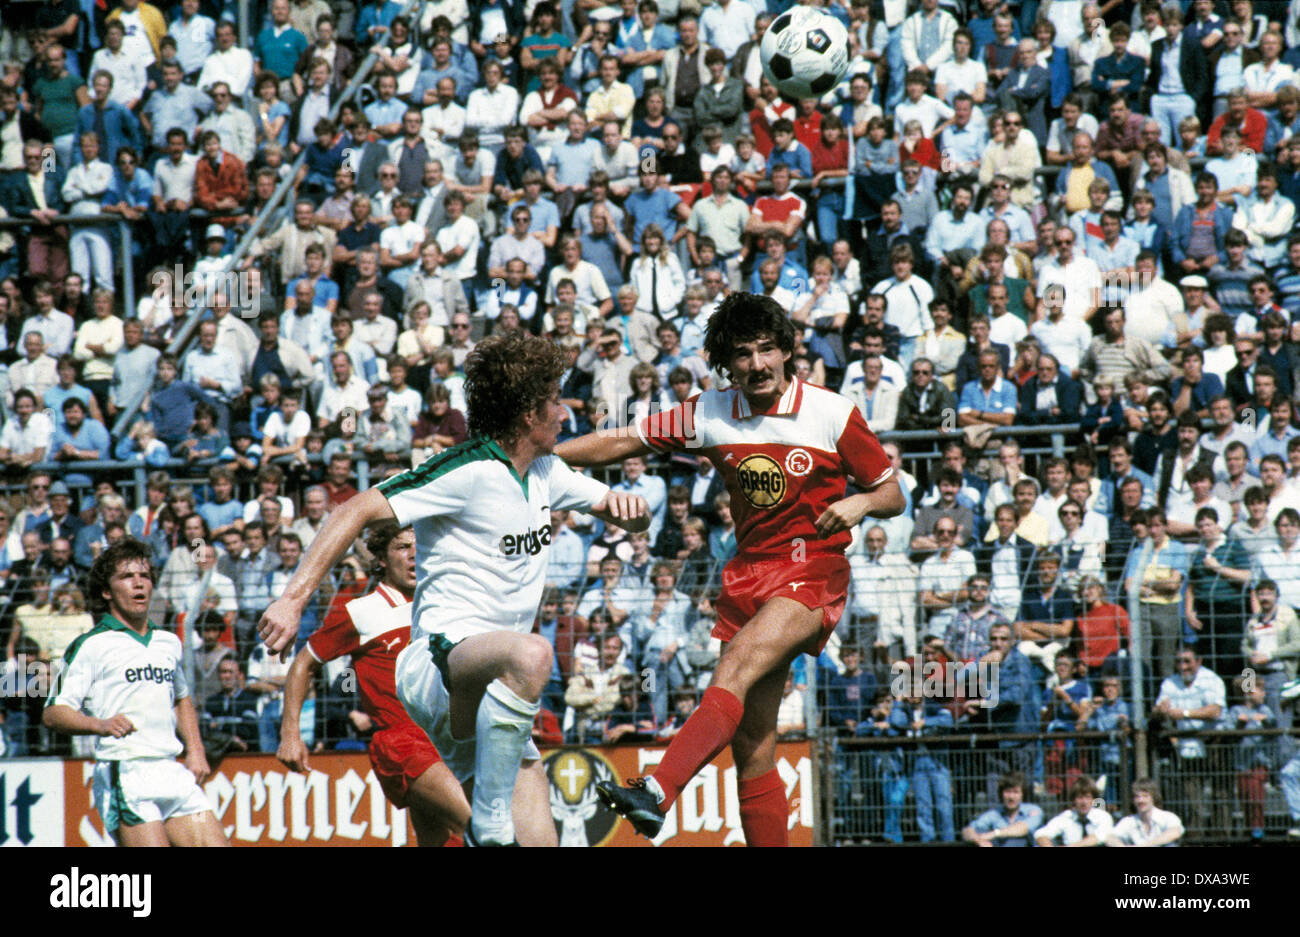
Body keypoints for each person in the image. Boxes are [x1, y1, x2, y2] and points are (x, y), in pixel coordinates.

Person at [258, 331, 650, 847]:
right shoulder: (464, 470)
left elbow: (621, 506)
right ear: (528, 414)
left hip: (494, 691)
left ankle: (487, 828)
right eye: (555, 401)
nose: (565, 413)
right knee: (533, 654)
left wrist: (633, 511)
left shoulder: (547, 472)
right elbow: (354, 509)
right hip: (438, 665)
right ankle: (486, 820)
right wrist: (293, 599)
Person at [557, 292, 904, 844]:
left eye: (768, 349)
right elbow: (623, 439)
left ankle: (657, 791)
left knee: (736, 666)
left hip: (811, 570)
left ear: (788, 350)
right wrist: (539, 457)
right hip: (747, 575)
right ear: (727, 363)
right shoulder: (709, 412)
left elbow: (892, 493)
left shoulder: (832, 412)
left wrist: (860, 503)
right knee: (753, 746)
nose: (758, 363)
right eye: (743, 354)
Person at [278, 523, 469, 846]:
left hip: (448, 740)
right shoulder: (360, 612)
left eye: (419, 546)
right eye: (402, 547)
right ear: (381, 558)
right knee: (484, 827)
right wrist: (290, 733)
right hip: (403, 743)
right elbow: (303, 663)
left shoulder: (443, 605)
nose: (414, 555)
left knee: (441, 841)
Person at [42, 539, 228, 847]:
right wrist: (99, 725)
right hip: (127, 773)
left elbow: (181, 698)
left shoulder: (167, 642)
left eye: (144, 576)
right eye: (127, 577)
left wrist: (195, 749)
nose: (138, 583)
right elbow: (53, 712)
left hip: (171, 770)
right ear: (106, 591)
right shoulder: (92, 645)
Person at [962, 771, 1044, 846]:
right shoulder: (994, 814)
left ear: (1022, 794)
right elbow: (967, 830)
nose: (1011, 797)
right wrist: (979, 841)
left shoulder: (1033, 810)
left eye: (1016, 792)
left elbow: (1023, 828)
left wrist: (994, 833)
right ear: (1001, 794)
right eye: (1008, 792)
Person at [1105, 777, 1185, 846]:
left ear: (1153, 798)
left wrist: (1144, 846)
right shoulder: (1129, 821)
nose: (1141, 800)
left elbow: (1175, 832)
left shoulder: (1167, 817)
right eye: (1137, 796)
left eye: (1145, 796)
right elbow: (1109, 838)